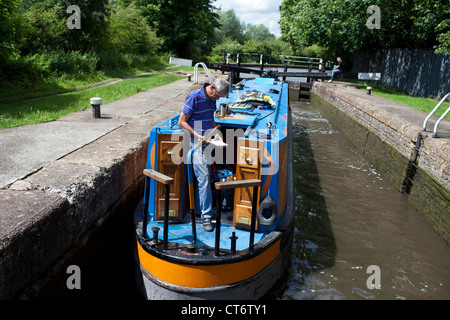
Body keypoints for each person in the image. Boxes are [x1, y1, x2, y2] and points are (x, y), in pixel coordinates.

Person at [178, 78, 230, 231]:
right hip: (196, 142)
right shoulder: (194, 97)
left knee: (204, 176)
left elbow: (210, 117)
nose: (218, 99)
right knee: (205, 178)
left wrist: (216, 133)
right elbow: (182, 121)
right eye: (218, 95)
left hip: (207, 140)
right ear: (212, 87)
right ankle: (206, 217)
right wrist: (197, 136)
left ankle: (202, 209)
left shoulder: (211, 98)